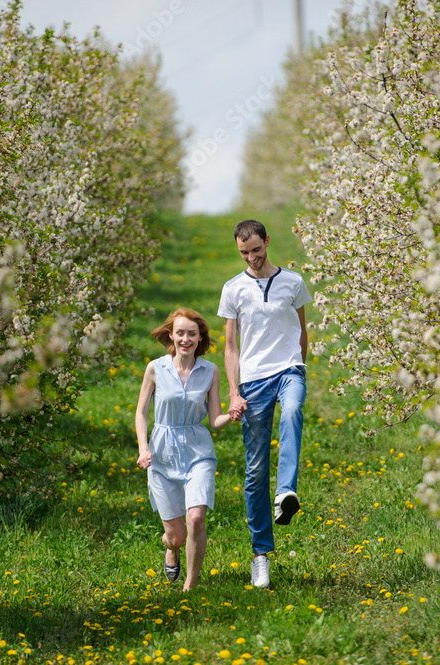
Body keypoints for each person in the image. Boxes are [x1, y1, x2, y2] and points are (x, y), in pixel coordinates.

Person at [218, 219, 313, 588]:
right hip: (253, 379)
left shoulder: (293, 282)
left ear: (267, 242)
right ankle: (260, 555)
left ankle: (286, 491)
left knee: (293, 410)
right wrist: (233, 392)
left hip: (289, 369)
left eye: (256, 249)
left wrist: (299, 365)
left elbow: (302, 331)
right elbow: (231, 347)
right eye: (244, 252)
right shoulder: (233, 289)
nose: (251, 257)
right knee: (255, 469)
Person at [135, 307, 232, 591]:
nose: (186, 339)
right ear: (171, 335)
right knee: (176, 536)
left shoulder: (210, 371)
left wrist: (234, 413)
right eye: (180, 333)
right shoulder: (155, 368)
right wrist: (143, 448)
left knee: (196, 519)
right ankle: (172, 548)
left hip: (198, 453)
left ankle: (190, 584)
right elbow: (141, 412)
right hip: (162, 455)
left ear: (200, 337)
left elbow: (215, 420)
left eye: (192, 333)